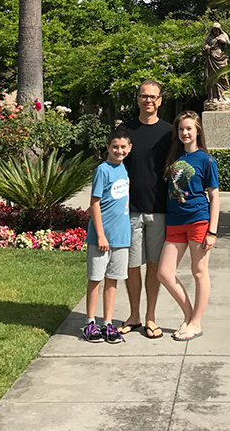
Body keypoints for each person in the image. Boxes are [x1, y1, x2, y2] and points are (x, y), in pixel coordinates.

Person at [115, 80, 173, 339]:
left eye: (153, 96)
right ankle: (134, 315)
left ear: (160, 100)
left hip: (160, 210)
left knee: (153, 266)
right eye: (144, 96)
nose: (148, 100)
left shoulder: (169, 132)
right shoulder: (125, 131)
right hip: (131, 210)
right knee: (132, 266)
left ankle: (151, 317)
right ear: (137, 98)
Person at [157, 110, 220, 342]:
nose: (185, 132)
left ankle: (196, 323)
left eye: (189, 129)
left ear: (197, 131)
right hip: (174, 221)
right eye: (181, 128)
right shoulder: (173, 157)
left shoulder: (206, 160)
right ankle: (189, 315)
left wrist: (212, 231)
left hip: (198, 221)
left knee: (199, 271)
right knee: (164, 273)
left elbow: (214, 196)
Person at [82, 131, 133, 344]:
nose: (119, 151)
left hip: (121, 237)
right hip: (101, 238)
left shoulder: (123, 168)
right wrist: (101, 235)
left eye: (123, 147)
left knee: (113, 280)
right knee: (96, 279)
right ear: (108, 147)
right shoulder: (103, 170)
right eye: (115, 147)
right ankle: (90, 322)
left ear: (129, 148)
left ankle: (107, 323)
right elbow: (95, 202)